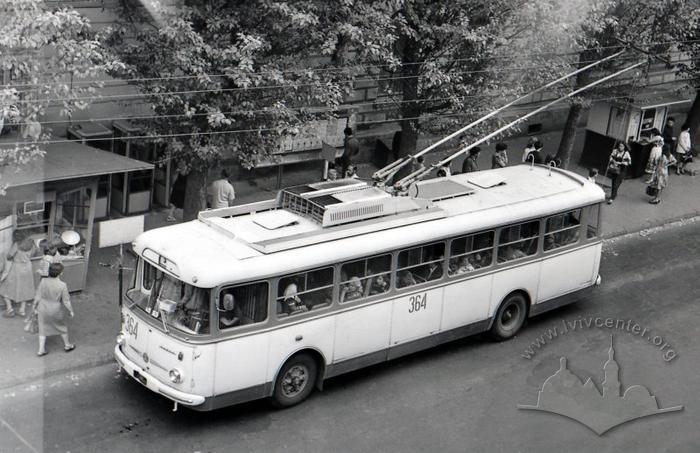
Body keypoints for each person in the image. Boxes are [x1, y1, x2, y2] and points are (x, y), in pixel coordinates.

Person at [33, 263, 75, 356]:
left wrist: (34, 307)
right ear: (61, 273)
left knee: (42, 328)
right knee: (62, 327)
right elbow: (66, 300)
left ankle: (41, 350)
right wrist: (71, 311)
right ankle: (67, 345)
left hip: (42, 307)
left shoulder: (43, 281)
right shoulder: (62, 285)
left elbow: (38, 295)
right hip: (55, 309)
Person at [1, 234, 36, 318]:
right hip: (27, 267)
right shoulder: (32, 244)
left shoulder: (17, 244)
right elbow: (33, 254)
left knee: (5, 287)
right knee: (25, 288)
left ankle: (10, 309)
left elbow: (9, 256)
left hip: (17, 267)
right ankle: (22, 310)